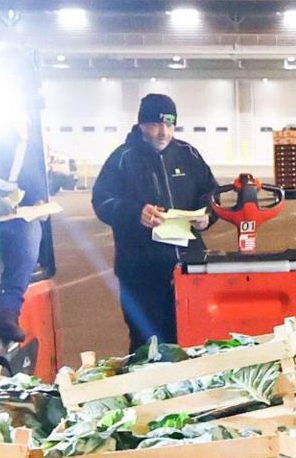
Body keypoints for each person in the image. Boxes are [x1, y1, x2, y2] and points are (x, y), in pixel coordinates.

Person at [87, 91, 218, 353]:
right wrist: (135, 213)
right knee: (148, 346)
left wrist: (208, 216)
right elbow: (102, 201)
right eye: (157, 124)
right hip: (140, 273)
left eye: (170, 125)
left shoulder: (188, 155)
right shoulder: (122, 158)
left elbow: (211, 194)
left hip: (188, 269)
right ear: (141, 125)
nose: (164, 132)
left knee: (193, 342)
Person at [0, 126, 62, 370]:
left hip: (4, 221)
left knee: (30, 232)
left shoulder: (19, 143)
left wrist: (38, 202)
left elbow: (34, 189)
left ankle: (8, 310)